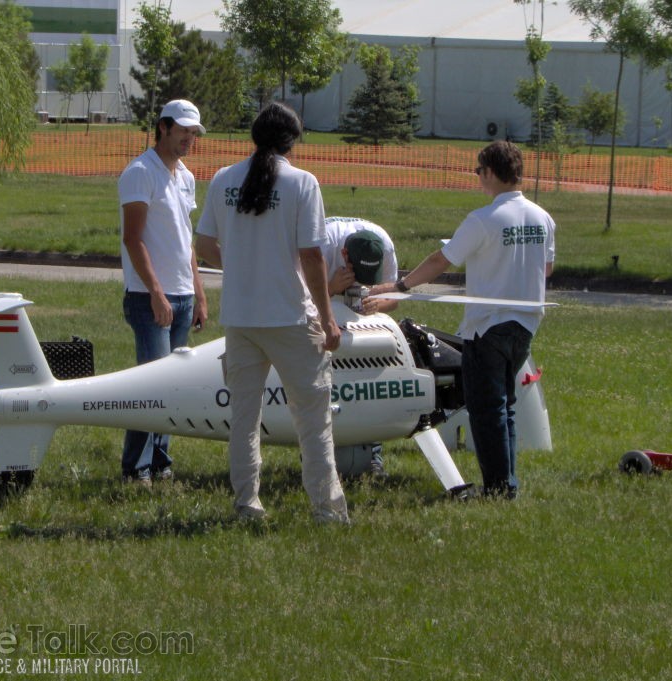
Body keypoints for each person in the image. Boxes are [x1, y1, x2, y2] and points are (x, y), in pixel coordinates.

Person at [369, 140, 555, 499]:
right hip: (527, 323)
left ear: (490, 172)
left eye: (478, 171)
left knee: (487, 410)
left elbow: (442, 260)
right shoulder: (542, 217)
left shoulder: (483, 220)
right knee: (506, 405)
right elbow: (545, 269)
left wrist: (400, 285)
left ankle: (499, 489)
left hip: (488, 324)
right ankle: (507, 482)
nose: (478, 179)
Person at [195, 102, 349, 524]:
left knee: (244, 418)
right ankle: (327, 510)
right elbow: (312, 256)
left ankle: (247, 505)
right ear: (291, 141)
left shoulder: (224, 178)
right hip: (290, 317)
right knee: (313, 418)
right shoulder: (302, 183)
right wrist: (329, 318)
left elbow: (205, 245)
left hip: (241, 318)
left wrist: (243, 266)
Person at [116, 99, 209, 488]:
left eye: (194, 132)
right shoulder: (140, 172)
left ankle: (161, 461)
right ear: (163, 127)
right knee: (151, 386)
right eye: (183, 130)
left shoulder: (184, 175)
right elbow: (133, 239)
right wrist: (155, 292)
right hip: (149, 297)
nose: (190, 138)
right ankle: (136, 467)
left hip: (183, 296)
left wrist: (199, 294)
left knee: (172, 386)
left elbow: (186, 241)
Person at [322, 217, 399, 478]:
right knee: (323, 384)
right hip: (324, 318)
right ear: (344, 255)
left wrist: (378, 304)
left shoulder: (384, 245)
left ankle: (373, 456)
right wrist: (331, 287)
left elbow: (394, 296)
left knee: (369, 382)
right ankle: (320, 455)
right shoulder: (322, 243)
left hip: (362, 326)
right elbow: (296, 295)